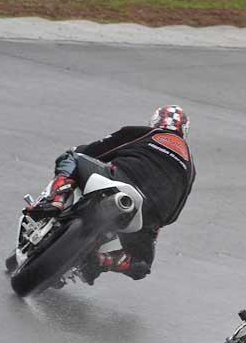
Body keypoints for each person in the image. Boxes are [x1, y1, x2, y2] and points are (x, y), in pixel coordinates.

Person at [25, 106, 195, 282]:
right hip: (151, 214)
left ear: (155, 122)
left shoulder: (145, 133)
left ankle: (56, 201)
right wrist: (152, 226)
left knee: (72, 157)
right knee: (141, 263)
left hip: (121, 181)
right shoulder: (190, 166)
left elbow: (94, 150)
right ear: (184, 131)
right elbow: (175, 212)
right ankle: (103, 260)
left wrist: (79, 150)